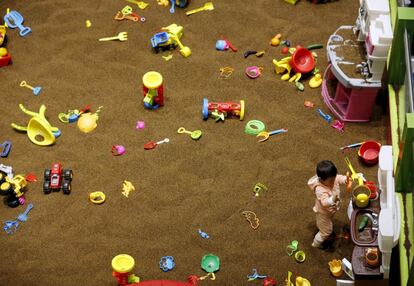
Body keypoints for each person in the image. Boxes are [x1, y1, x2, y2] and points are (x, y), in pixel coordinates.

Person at [308, 160, 350, 249]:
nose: (334, 181)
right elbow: (324, 203)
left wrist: (345, 180)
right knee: (326, 231)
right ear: (321, 180)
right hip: (323, 213)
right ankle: (315, 244)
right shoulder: (319, 189)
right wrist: (332, 199)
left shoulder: (332, 179)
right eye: (331, 180)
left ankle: (321, 227)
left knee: (328, 221)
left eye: (334, 178)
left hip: (330, 211)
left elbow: (338, 178)